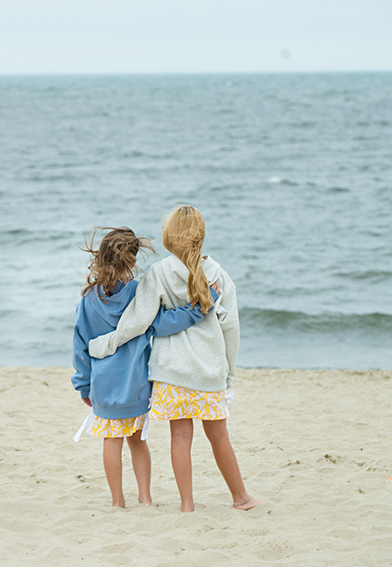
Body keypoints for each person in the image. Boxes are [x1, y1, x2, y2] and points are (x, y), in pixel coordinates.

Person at [89, 206, 263, 512]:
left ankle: (186, 504)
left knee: (180, 437)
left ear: (168, 237)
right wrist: (229, 374)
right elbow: (231, 330)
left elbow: (138, 322)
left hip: (171, 373)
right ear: (201, 237)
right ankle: (241, 498)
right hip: (209, 372)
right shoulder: (218, 276)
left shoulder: (159, 273)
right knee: (219, 437)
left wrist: (105, 344)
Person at [71, 226, 212, 508]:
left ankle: (117, 501)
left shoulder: (88, 300)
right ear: (132, 261)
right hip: (135, 383)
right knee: (137, 441)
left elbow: (80, 345)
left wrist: (83, 385)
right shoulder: (138, 292)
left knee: (111, 441)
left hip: (103, 384)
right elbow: (161, 323)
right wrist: (198, 309)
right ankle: (145, 498)